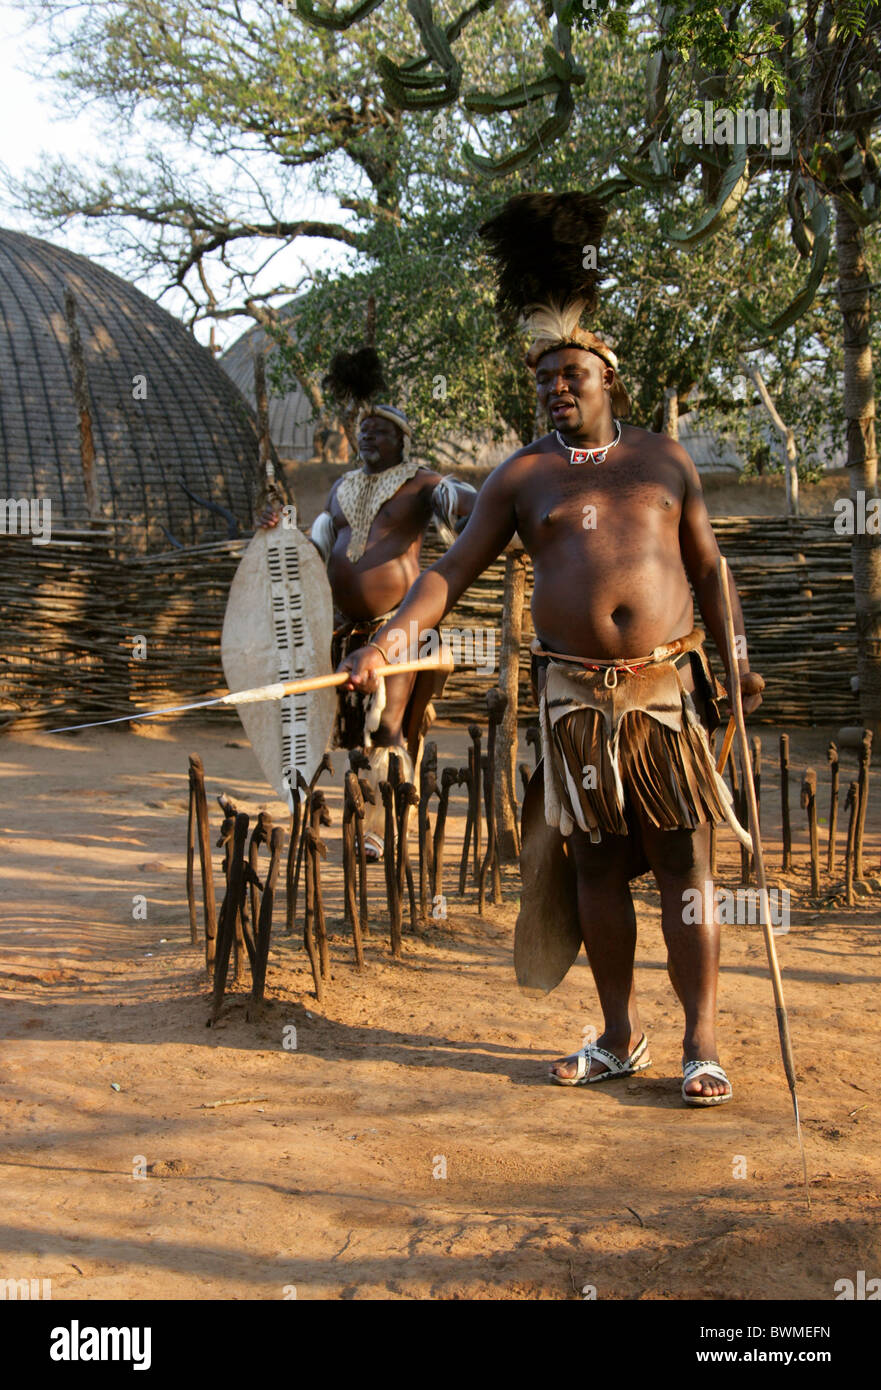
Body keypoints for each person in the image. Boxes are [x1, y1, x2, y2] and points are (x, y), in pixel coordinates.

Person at [337, 194, 763, 1105]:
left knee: (686, 866)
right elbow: (446, 572)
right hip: (574, 706)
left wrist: (735, 659)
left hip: (662, 697)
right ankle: (618, 1036)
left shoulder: (663, 462)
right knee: (598, 869)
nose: (555, 388)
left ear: (609, 376)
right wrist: (386, 642)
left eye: (570, 373)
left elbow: (711, 567)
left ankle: (701, 1041)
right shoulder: (520, 478)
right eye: (542, 380)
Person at [303, 355, 475, 859]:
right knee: (355, 728)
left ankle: (379, 825)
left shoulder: (422, 483)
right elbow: (320, 545)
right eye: (363, 430)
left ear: (401, 439)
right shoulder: (341, 487)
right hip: (346, 627)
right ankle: (365, 812)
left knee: (387, 724)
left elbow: (470, 508)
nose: (368, 438)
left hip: (396, 626)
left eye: (379, 431)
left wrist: (464, 503)